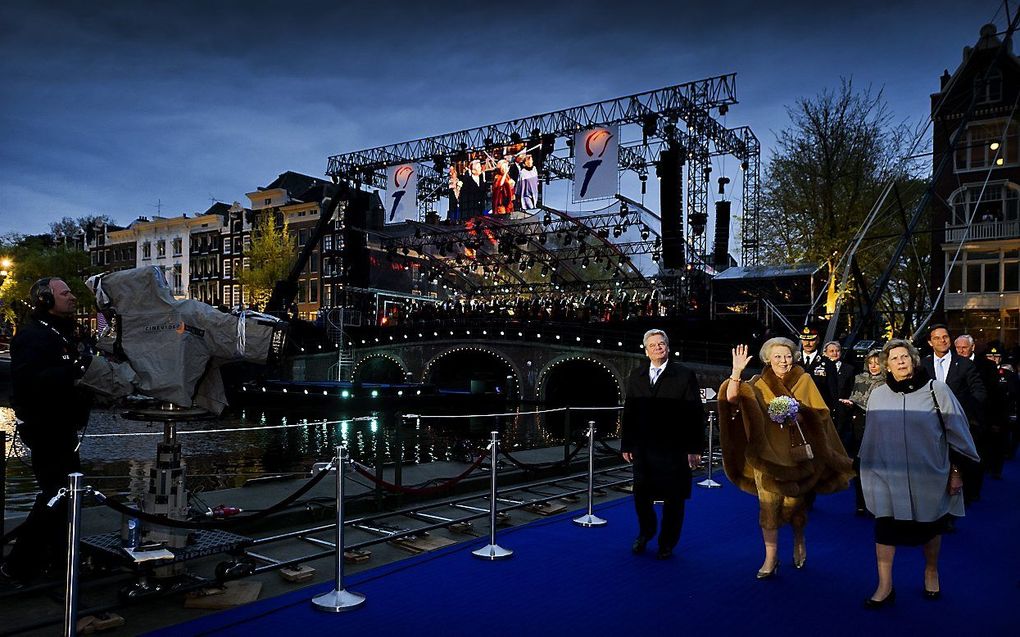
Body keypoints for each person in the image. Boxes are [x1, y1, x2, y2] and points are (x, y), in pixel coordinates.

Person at [858, 339, 979, 608]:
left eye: (905, 356)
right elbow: (871, 439)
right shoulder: (877, 395)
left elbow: (958, 434)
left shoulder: (937, 390)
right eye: (894, 359)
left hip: (929, 476)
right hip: (889, 478)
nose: (900, 361)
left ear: (913, 360)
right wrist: (868, 473)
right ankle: (885, 586)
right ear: (886, 367)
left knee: (930, 528)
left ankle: (931, 571)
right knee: (885, 529)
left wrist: (956, 472)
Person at [720, 338, 853, 579]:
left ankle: (799, 540)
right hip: (766, 456)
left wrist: (799, 415)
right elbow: (731, 400)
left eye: (788, 356)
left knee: (795, 505)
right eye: (778, 356)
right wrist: (736, 372)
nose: (784, 361)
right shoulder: (757, 383)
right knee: (768, 508)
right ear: (768, 359)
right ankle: (771, 558)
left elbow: (821, 413)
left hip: (797, 455)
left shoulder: (805, 380)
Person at [2, 278, 94, 586]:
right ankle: (19, 565)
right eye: (64, 293)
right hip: (46, 428)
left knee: (64, 496)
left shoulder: (61, 332)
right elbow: (31, 381)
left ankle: (56, 559)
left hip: (63, 426)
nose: (72, 297)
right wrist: (76, 369)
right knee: (57, 496)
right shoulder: (32, 337)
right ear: (45, 299)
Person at [621, 329, 706, 560]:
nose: (658, 347)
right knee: (641, 495)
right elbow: (629, 411)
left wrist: (695, 448)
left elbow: (694, 412)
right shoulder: (636, 375)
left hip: (674, 448)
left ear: (668, 347)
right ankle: (646, 531)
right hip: (643, 447)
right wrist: (626, 443)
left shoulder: (684, 374)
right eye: (653, 345)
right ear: (646, 350)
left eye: (662, 344)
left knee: (674, 498)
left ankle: (667, 543)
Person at [921, 324, 986, 503]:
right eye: (937, 338)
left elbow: (979, 392)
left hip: (957, 422)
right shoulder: (923, 364)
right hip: (929, 424)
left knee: (957, 465)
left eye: (945, 337)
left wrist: (963, 413)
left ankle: (955, 506)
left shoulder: (965, 364)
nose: (942, 341)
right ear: (929, 342)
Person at [846, 349, 885, 514]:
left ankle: (879, 504)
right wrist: (850, 404)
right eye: (871, 363)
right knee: (860, 464)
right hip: (860, 423)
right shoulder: (858, 378)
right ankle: (861, 503)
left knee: (879, 466)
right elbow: (854, 397)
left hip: (881, 424)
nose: (874, 366)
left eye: (877, 363)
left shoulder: (889, 382)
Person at [824, 340, 856, 447]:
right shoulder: (820, 367)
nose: (834, 353)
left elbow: (852, 387)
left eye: (837, 351)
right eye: (831, 351)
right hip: (826, 407)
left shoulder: (849, 369)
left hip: (842, 409)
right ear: (825, 353)